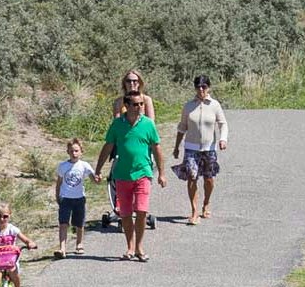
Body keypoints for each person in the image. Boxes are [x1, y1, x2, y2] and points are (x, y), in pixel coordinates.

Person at [95, 92, 167, 261]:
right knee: (125, 214)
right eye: (136, 104)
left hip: (143, 173)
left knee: (141, 211)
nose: (140, 107)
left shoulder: (148, 124)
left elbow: (157, 148)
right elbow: (108, 146)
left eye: (141, 104)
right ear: (126, 106)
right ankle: (130, 246)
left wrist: (162, 173)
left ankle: (139, 247)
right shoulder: (117, 124)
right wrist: (98, 169)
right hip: (122, 175)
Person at [106, 70, 158, 231]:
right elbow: (116, 123)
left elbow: (151, 123)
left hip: (141, 145)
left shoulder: (146, 100)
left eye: (135, 81)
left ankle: (139, 209)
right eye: (129, 81)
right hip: (121, 144)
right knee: (117, 177)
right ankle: (120, 207)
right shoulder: (118, 101)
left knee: (140, 179)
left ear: (140, 82)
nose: (132, 84)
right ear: (124, 83)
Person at [172, 76, 228, 225]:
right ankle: (194, 211)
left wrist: (223, 139)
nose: (201, 89)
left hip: (209, 148)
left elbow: (223, 124)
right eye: (198, 87)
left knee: (209, 179)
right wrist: (177, 146)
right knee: (192, 177)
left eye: (204, 86)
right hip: (191, 147)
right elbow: (182, 127)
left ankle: (206, 203)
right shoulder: (188, 106)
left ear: (208, 87)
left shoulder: (215, 105)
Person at [53, 138, 97, 255]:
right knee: (63, 223)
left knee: (79, 223)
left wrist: (97, 178)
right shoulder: (63, 166)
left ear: (81, 152)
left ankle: (79, 243)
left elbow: (94, 179)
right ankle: (62, 248)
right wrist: (57, 196)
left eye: (76, 151)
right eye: (71, 151)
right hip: (65, 198)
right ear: (67, 152)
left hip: (79, 198)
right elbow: (59, 182)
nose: (74, 153)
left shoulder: (84, 165)